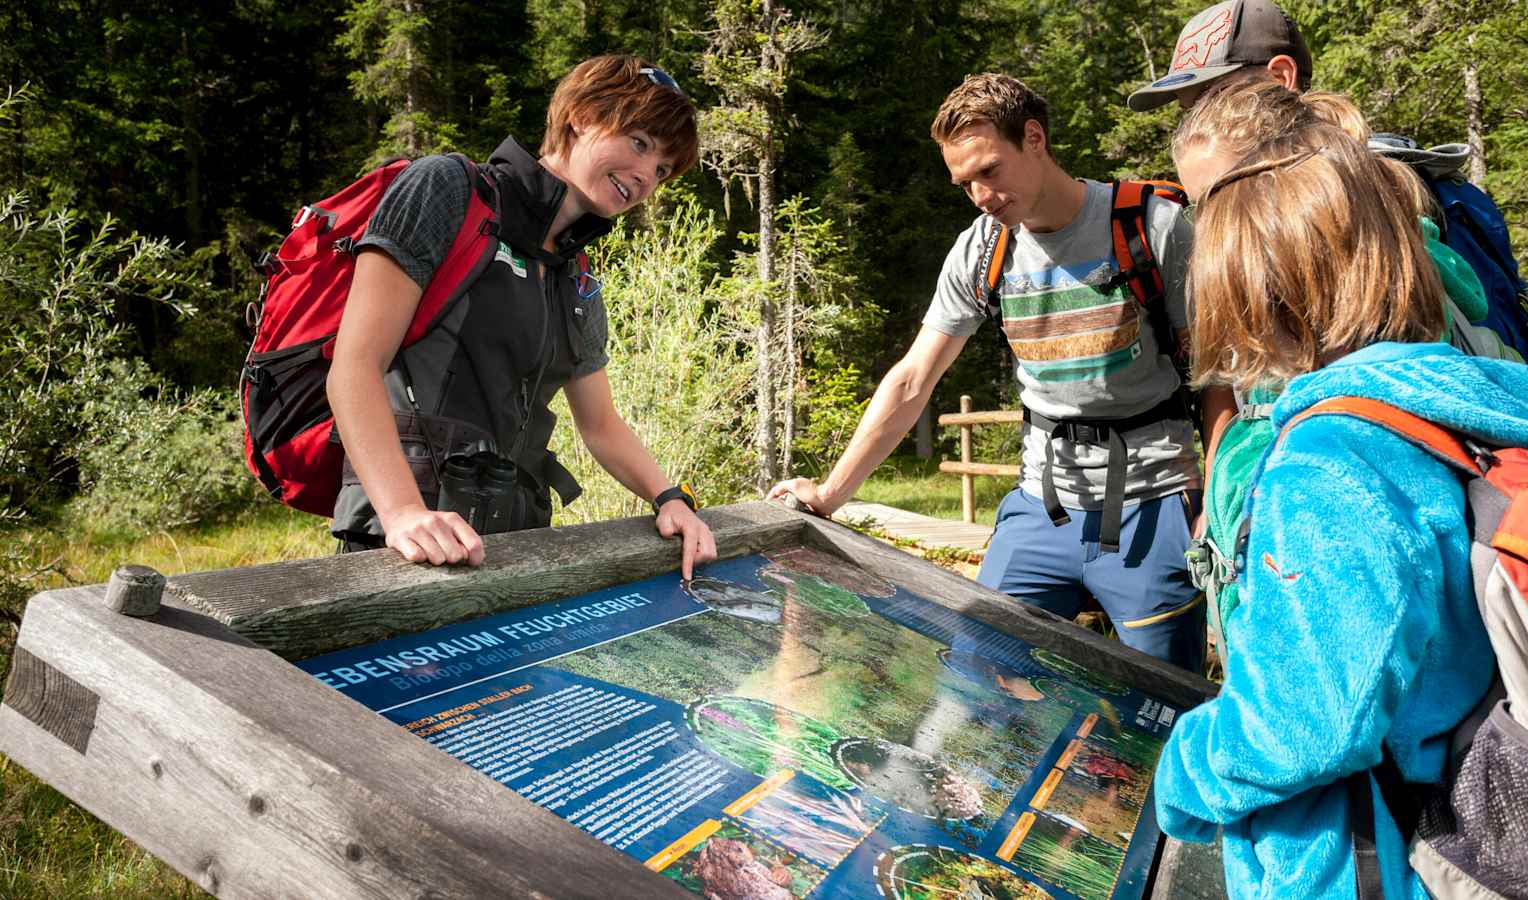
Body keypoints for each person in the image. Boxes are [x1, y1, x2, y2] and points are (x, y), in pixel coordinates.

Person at [1152, 116, 1528, 897]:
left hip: (1364, 859)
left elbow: (1305, 723)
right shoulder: (1465, 401)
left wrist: (1181, 775)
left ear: (1263, 284)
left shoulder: (1334, 462)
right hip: (1473, 806)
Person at [769, 74, 1234, 673]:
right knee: (975, 676)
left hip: (1155, 505)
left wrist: (1213, 507)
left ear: (1034, 138)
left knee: (1163, 701)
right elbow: (913, 379)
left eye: (989, 171)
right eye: (965, 183)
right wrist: (830, 495)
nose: (981, 196)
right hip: (1042, 506)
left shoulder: (1151, 227)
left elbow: (1215, 377)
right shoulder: (982, 251)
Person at [325, 55, 716, 579]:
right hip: (406, 542)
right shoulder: (449, 190)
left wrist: (671, 498)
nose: (646, 175)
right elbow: (354, 366)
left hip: (515, 543)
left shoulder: (575, 275)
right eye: (640, 142)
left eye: (663, 169)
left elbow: (600, 424)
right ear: (579, 116)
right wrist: (402, 514)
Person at [1126, 0, 1312, 113]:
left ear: (1281, 77)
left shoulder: (1331, 172)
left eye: (1215, 101)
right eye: (1190, 112)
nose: (1196, 130)